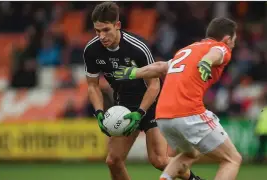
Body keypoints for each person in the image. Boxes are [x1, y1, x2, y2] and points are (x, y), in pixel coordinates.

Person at [84, 2, 203, 180]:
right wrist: (99, 112)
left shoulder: (137, 47)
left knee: (159, 160)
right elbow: (93, 85)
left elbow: (154, 85)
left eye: (106, 30)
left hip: (153, 104)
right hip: (124, 105)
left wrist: (140, 113)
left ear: (117, 25)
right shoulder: (91, 50)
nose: (101, 36)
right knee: (113, 160)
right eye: (97, 31)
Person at [114, 17, 242, 180]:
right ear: (227, 38)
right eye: (234, 40)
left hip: (163, 117)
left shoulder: (186, 50)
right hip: (188, 113)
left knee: (189, 154)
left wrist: (134, 72)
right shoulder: (220, 47)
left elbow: (161, 67)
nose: (234, 44)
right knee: (232, 159)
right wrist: (206, 62)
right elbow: (215, 53)